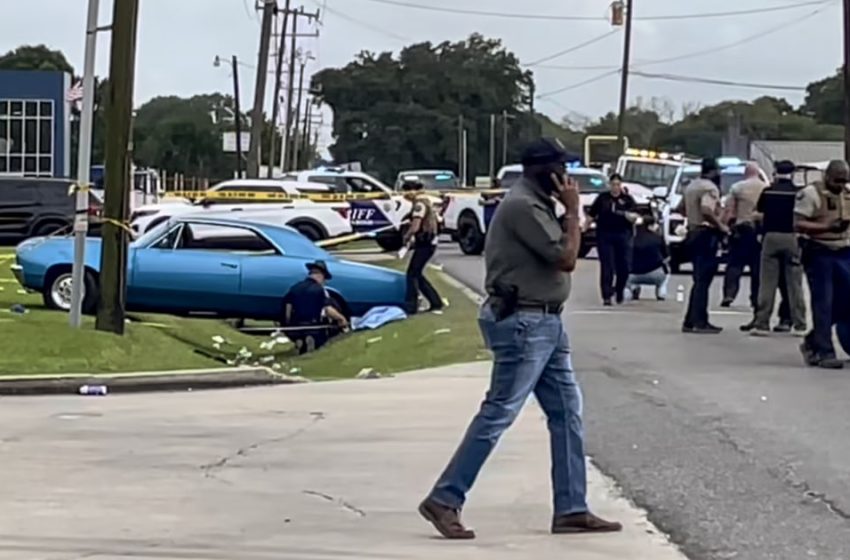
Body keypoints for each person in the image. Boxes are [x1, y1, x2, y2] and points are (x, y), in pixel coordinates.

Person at [418, 138, 622, 539]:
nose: (567, 178)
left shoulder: (538, 202)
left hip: (546, 321)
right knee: (499, 412)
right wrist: (574, 211)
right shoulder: (523, 205)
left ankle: (571, 507)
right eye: (560, 169)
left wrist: (566, 211)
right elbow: (566, 258)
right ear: (541, 169)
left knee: (567, 413)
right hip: (524, 322)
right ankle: (445, 498)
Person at [795, 159, 850, 369]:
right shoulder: (811, 194)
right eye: (837, 181)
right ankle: (824, 351)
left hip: (844, 250)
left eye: (845, 181)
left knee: (845, 301)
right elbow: (797, 223)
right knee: (823, 302)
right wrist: (825, 226)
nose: (841, 185)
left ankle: (813, 340)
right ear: (827, 176)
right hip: (819, 250)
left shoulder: (847, 192)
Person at [742, 160, 807, 337]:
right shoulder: (799, 193)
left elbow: (758, 214)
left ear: (776, 172)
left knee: (767, 283)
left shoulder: (769, 191)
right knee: (795, 284)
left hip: (770, 237)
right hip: (792, 237)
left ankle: (762, 323)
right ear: (793, 173)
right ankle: (799, 324)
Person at [681, 157, 728, 334]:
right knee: (703, 280)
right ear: (714, 171)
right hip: (706, 234)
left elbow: (681, 208)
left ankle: (690, 320)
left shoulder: (691, 186)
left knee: (698, 278)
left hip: (692, 232)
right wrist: (721, 225)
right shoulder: (710, 188)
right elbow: (706, 209)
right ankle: (699, 321)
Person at [587, 173, 638, 305]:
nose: (615, 187)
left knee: (624, 266)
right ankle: (607, 295)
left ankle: (619, 289)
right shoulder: (602, 198)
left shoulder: (627, 199)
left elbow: (635, 216)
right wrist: (584, 227)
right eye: (613, 184)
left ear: (621, 185)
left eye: (618, 184)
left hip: (623, 235)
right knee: (607, 266)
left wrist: (629, 216)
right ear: (609, 185)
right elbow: (592, 215)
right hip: (605, 235)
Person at [721, 163, 767, 308]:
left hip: (741, 229)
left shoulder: (738, 187)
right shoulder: (766, 188)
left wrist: (726, 227)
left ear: (746, 173)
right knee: (757, 267)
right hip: (759, 231)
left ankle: (729, 294)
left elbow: (729, 210)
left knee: (734, 265)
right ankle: (755, 298)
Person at [281, 260, 349, 354]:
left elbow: (287, 309)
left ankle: (300, 341)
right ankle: (311, 341)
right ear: (321, 275)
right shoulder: (320, 290)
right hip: (314, 326)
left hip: (295, 327)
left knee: (302, 347)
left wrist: (288, 326)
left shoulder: (295, 288)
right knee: (320, 344)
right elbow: (328, 309)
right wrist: (341, 318)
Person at [402, 180, 443, 314]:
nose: (404, 196)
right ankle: (435, 301)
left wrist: (407, 236)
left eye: (405, 192)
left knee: (412, 274)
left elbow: (416, 226)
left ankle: (411, 304)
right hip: (427, 242)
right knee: (417, 273)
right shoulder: (424, 202)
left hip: (425, 243)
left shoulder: (419, 204)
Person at [627, 215, 669, 301]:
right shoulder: (658, 238)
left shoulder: (630, 239)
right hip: (655, 273)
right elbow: (667, 257)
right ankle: (661, 291)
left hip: (632, 274)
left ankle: (630, 289)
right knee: (667, 269)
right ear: (651, 226)